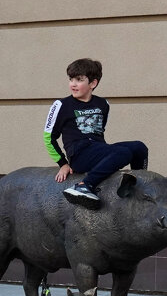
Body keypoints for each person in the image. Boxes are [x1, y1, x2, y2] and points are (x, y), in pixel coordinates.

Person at [43, 58, 148, 203]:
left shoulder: (103, 104)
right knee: (123, 153)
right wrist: (63, 163)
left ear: (93, 83)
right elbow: (49, 138)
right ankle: (84, 186)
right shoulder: (61, 105)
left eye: (79, 80)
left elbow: (99, 132)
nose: (73, 84)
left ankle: (139, 186)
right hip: (79, 154)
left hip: (98, 149)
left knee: (139, 147)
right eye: (71, 79)